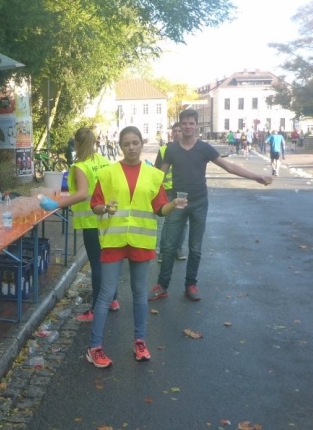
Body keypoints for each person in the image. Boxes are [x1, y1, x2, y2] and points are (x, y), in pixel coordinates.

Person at [149, 109, 272, 302]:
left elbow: (229, 166)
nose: (188, 126)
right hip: (177, 203)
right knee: (169, 246)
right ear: (180, 125)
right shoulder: (171, 149)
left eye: (191, 123)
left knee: (195, 247)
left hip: (199, 202)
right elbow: (158, 176)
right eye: (184, 123)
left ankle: (191, 285)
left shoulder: (204, 148)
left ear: (196, 125)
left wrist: (256, 177)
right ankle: (162, 286)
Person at [85, 126, 180, 368]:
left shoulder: (153, 175)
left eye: (135, 142)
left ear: (141, 143)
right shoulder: (107, 173)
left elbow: (160, 209)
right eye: (126, 144)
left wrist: (174, 205)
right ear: (120, 146)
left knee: (139, 293)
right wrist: (105, 208)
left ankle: (140, 342)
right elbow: (95, 206)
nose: (131, 147)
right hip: (113, 240)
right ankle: (94, 347)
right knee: (106, 293)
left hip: (140, 240)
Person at [40, 128, 115, 322]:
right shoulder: (103, 161)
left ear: (77, 144)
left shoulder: (81, 166)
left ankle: (96, 309)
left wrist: (57, 204)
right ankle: (113, 299)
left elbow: (82, 194)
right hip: (106, 217)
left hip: (91, 220)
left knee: (97, 264)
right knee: (108, 261)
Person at [155, 122, 187, 261]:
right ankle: (163, 251)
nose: (177, 133)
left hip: (182, 190)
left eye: (180, 131)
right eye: (175, 131)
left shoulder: (188, 149)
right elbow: (157, 171)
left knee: (182, 222)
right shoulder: (163, 150)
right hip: (167, 190)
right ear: (172, 133)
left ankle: (178, 249)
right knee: (166, 222)